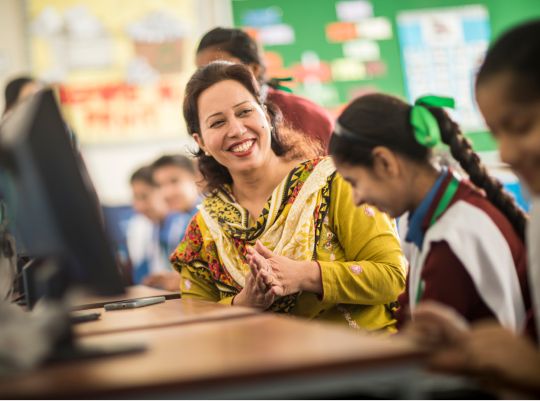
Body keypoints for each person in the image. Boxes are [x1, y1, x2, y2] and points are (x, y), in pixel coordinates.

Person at [170, 61, 406, 334]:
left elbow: (393, 277)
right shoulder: (204, 229)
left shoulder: (334, 183)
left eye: (245, 111)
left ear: (267, 116)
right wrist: (245, 301)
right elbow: (193, 321)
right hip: (268, 373)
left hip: (365, 364)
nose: (236, 130)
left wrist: (304, 275)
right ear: (201, 143)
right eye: (218, 122)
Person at [395, 20, 540, 397]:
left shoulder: (454, 229)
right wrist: (472, 345)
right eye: (496, 133)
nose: (505, 153)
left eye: (521, 126)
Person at [328, 93, 530, 332]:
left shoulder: (450, 239)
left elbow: (426, 343)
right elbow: (410, 311)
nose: (356, 199)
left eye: (354, 182)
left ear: (385, 162)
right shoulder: (431, 213)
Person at [196, 27, 334, 150]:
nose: (212, 81)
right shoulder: (206, 123)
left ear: (255, 68)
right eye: (204, 73)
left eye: (222, 69)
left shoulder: (306, 114)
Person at [127, 165, 188, 290]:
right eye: (135, 198)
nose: (137, 207)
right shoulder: (155, 227)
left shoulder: (184, 224)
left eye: (144, 196)